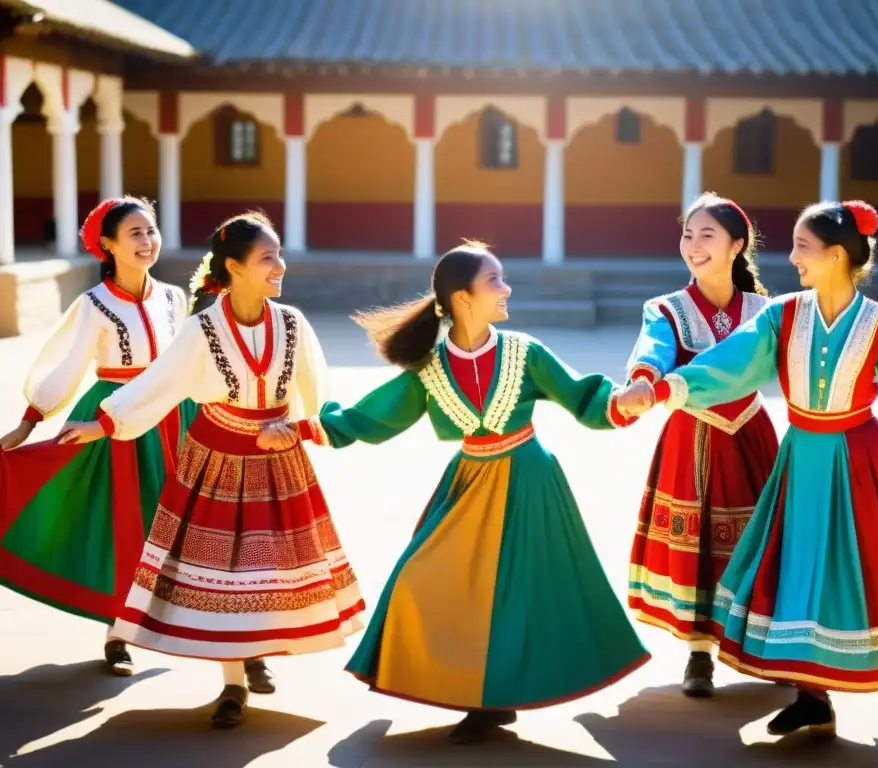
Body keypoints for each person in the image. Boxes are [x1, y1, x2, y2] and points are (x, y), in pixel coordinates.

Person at [633, 200, 878, 737]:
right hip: (799, 455)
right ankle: (811, 695)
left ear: (836, 256)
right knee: (794, 563)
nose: (791, 257)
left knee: (848, 568)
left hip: (858, 459)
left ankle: (827, 680)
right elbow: (729, 364)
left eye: (802, 247)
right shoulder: (781, 315)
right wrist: (666, 385)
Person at [258, 241, 653, 744]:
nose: (506, 288)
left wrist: (622, 402)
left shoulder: (524, 352)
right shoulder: (431, 368)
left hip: (530, 483)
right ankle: (475, 692)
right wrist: (303, 429)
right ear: (463, 298)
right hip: (468, 484)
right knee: (417, 579)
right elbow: (374, 415)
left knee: (518, 595)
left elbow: (583, 397)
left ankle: (489, 703)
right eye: (496, 281)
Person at [58, 211, 366, 728]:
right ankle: (232, 685)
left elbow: (318, 399)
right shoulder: (203, 329)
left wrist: (300, 429)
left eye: (278, 255)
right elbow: (159, 383)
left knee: (265, 571)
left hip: (277, 462)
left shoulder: (292, 324)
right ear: (234, 267)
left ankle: (255, 650)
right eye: (268, 257)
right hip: (216, 462)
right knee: (222, 575)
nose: (279, 266)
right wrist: (103, 424)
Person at [0, 197, 190, 678]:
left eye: (151, 231)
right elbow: (65, 362)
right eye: (135, 234)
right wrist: (30, 420)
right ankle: (117, 632)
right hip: (112, 421)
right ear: (108, 245)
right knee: (123, 523)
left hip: (171, 415)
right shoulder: (93, 304)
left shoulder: (173, 297)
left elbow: (187, 361)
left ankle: (185, 624)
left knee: (179, 523)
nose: (147, 242)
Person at [625, 194, 779, 697]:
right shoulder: (666, 308)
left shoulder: (768, 311)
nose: (693, 245)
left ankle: (770, 645)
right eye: (688, 235)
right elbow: (653, 350)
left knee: (761, 542)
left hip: (751, 435)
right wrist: (644, 381)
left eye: (706, 235)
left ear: (737, 245)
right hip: (690, 438)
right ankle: (698, 654)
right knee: (697, 547)